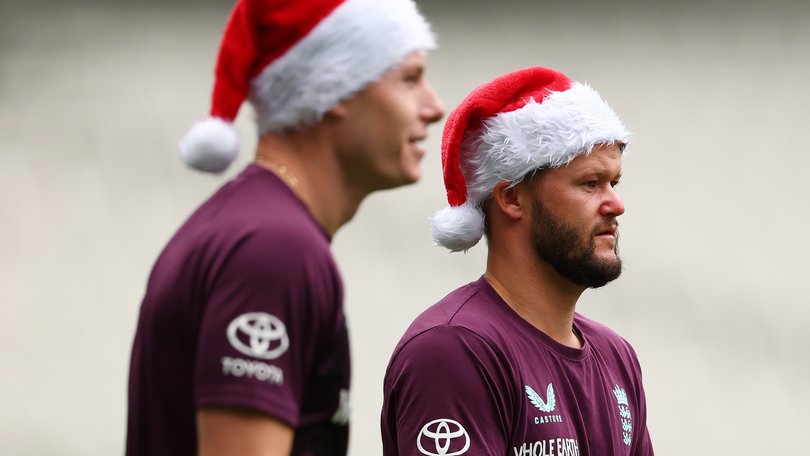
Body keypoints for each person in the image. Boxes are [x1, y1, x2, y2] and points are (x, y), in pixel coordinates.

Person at [126, 0, 444, 454]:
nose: (434, 107)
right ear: (334, 86)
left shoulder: (257, 228)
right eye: (409, 79)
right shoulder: (275, 251)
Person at [381, 67, 653, 455]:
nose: (616, 204)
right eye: (590, 183)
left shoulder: (616, 356)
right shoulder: (455, 349)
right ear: (511, 198)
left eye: (614, 183)